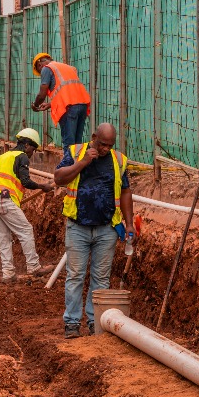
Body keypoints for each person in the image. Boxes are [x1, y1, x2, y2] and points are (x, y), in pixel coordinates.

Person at [54, 122, 135, 338]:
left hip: (106, 229)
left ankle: (94, 322)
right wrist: (83, 162)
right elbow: (59, 178)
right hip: (78, 226)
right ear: (93, 137)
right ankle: (71, 323)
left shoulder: (119, 160)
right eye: (102, 144)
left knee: (101, 279)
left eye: (110, 145)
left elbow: (126, 192)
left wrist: (129, 223)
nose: (106, 149)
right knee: (76, 276)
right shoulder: (75, 152)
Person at [0, 129, 57, 283]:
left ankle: (8, 273)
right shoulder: (22, 156)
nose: (33, 152)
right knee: (25, 230)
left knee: (4, 237)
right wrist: (42, 186)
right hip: (4, 198)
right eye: (33, 148)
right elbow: (25, 181)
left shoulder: (4, 156)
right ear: (26, 145)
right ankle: (34, 266)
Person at [31, 53, 92, 157]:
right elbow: (68, 91)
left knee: (69, 144)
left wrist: (35, 105)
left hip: (69, 108)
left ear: (39, 63)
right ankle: (77, 169)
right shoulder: (68, 67)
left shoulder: (47, 68)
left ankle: (68, 170)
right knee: (77, 144)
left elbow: (42, 93)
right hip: (82, 105)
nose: (41, 73)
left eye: (39, 70)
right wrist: (50, 104)